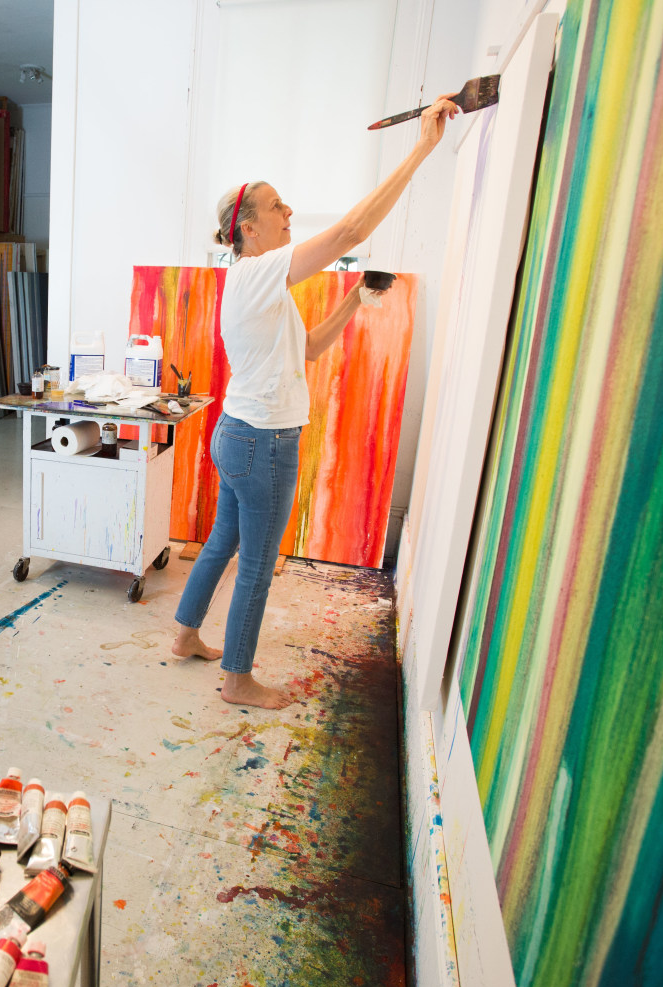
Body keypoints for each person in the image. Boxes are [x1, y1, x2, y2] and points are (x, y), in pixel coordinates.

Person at [172, 95, 460, 709]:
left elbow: (311, 348)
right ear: (248, 227)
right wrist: (423, 147)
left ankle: (186, 635)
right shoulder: (257, 273)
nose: (289, 210)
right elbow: (352, 231)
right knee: (256, 562)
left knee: (224, 541)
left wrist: (357, 297)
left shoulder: (261, 286)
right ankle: (239, 680)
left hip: (239, 435)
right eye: (278, 205)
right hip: (263, 442)